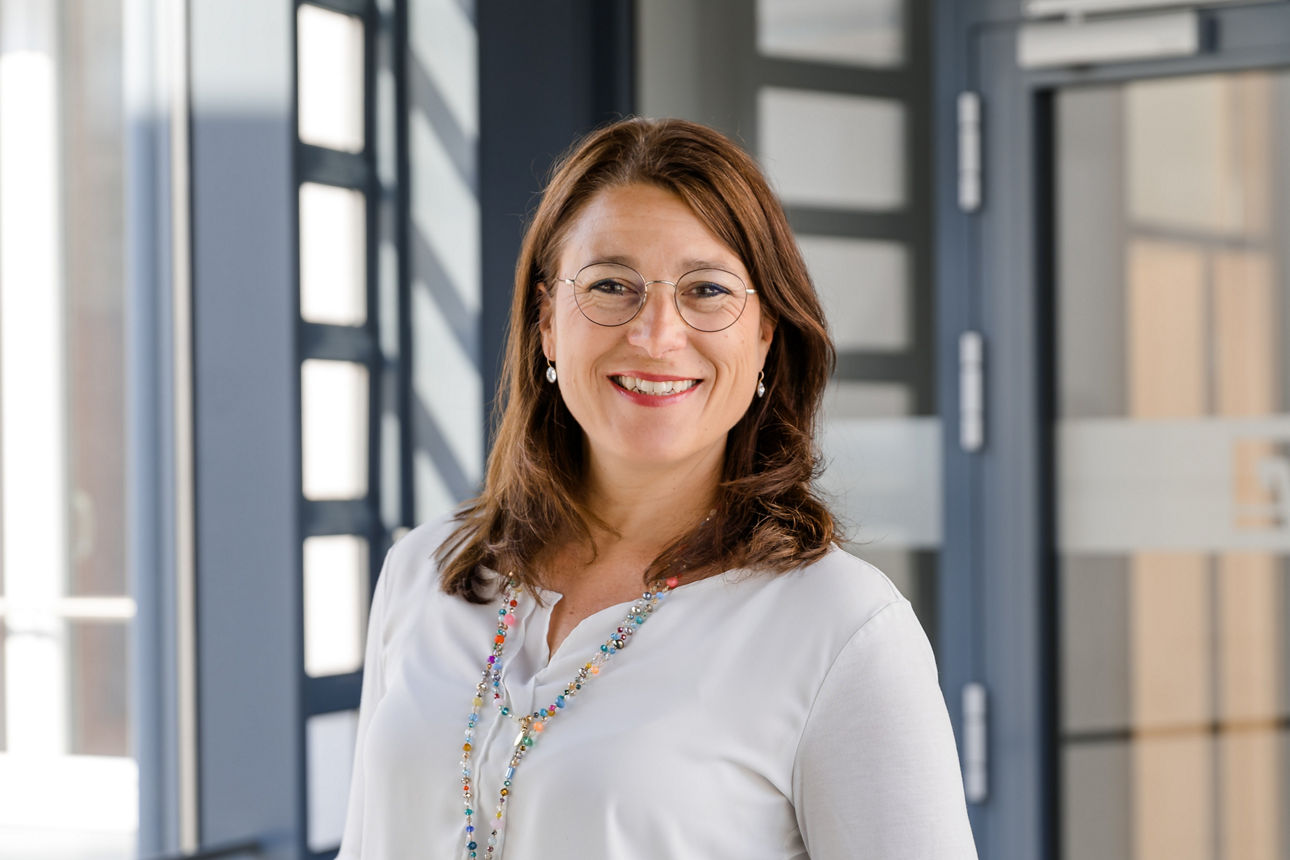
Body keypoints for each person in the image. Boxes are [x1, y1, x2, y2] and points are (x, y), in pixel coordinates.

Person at [336, 117, 978, 859]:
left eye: (706, 290)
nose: (656, 332)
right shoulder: (424, 572)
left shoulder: (843, 632)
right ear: (547, 322)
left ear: (765, 334)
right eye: (612, 285)